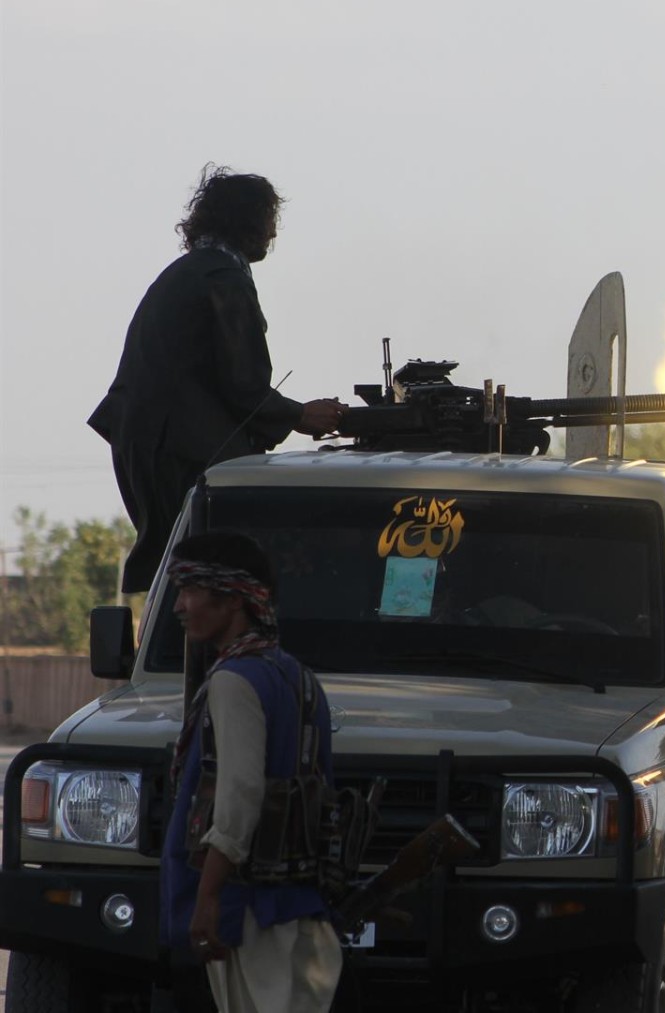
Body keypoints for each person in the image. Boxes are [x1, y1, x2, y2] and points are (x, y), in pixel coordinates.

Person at [89, 167, 345, 592]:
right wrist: (302, 415)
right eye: (268, 220)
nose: (272, 233)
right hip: (177, 451)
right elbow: (243, 384)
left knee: (186, 571)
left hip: (153, 444)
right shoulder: (223, 280)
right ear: (249, 222)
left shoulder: (190, 270)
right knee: (212, 575)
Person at [161, 531, 343, 1012]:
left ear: (233, 599)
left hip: (249, 911)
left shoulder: (233, 680)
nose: (179, 606)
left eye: (190, 590)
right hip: (298, 908)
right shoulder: (298, 677)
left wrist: (207, 897)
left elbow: (240, 796)